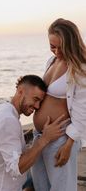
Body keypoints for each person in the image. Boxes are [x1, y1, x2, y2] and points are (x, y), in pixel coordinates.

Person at [0, 75, 68, 191]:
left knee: (36, 178)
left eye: (40, 102)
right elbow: (16, 168)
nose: (37, 106)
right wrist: (44, 139)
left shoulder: (3, 109)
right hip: (2, 187)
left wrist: (34, 134)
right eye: (35, 99)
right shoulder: (8, 120)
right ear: (20, 91)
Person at [31, 18, 86, 191]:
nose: (56, 51)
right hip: (39, 136)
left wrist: (68, 144)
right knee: (41, 187)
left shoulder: (81, 67)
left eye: (60, 47)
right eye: (52, 46)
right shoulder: (51, 61)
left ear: (71, 43)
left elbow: (84, 109)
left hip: (60, 139)